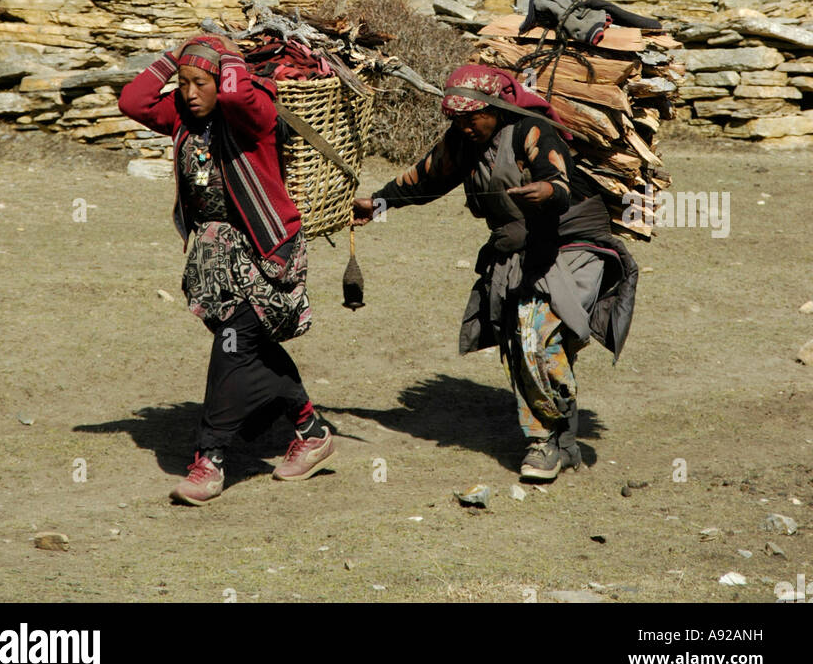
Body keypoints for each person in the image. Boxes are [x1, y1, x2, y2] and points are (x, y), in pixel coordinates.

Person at [353, 64, 637, 483]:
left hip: (571, 242)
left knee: (536, 334)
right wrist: (378, 204)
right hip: (518, 247)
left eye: (473, 118)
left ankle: (549, 439)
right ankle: (557, 441)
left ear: (497, 106)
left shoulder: (531, 131)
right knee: (528, 343)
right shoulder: (464, 142)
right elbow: (425, 178)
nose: (466, 128)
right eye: (458, 120)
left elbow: (557, 181)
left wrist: (547, 192)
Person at [118, 34, 334, 503]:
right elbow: (132, 100)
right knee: (249, 349)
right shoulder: (180, 114)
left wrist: (225, 54)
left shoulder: (252, 112)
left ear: (222, 80)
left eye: (201, 83)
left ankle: (209, 460)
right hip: (215, 261)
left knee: (232, 349)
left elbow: (237, 93)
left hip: (265, 254)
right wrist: (175, 56)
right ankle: (310, 430)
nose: (190, 93)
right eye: (183, 83)